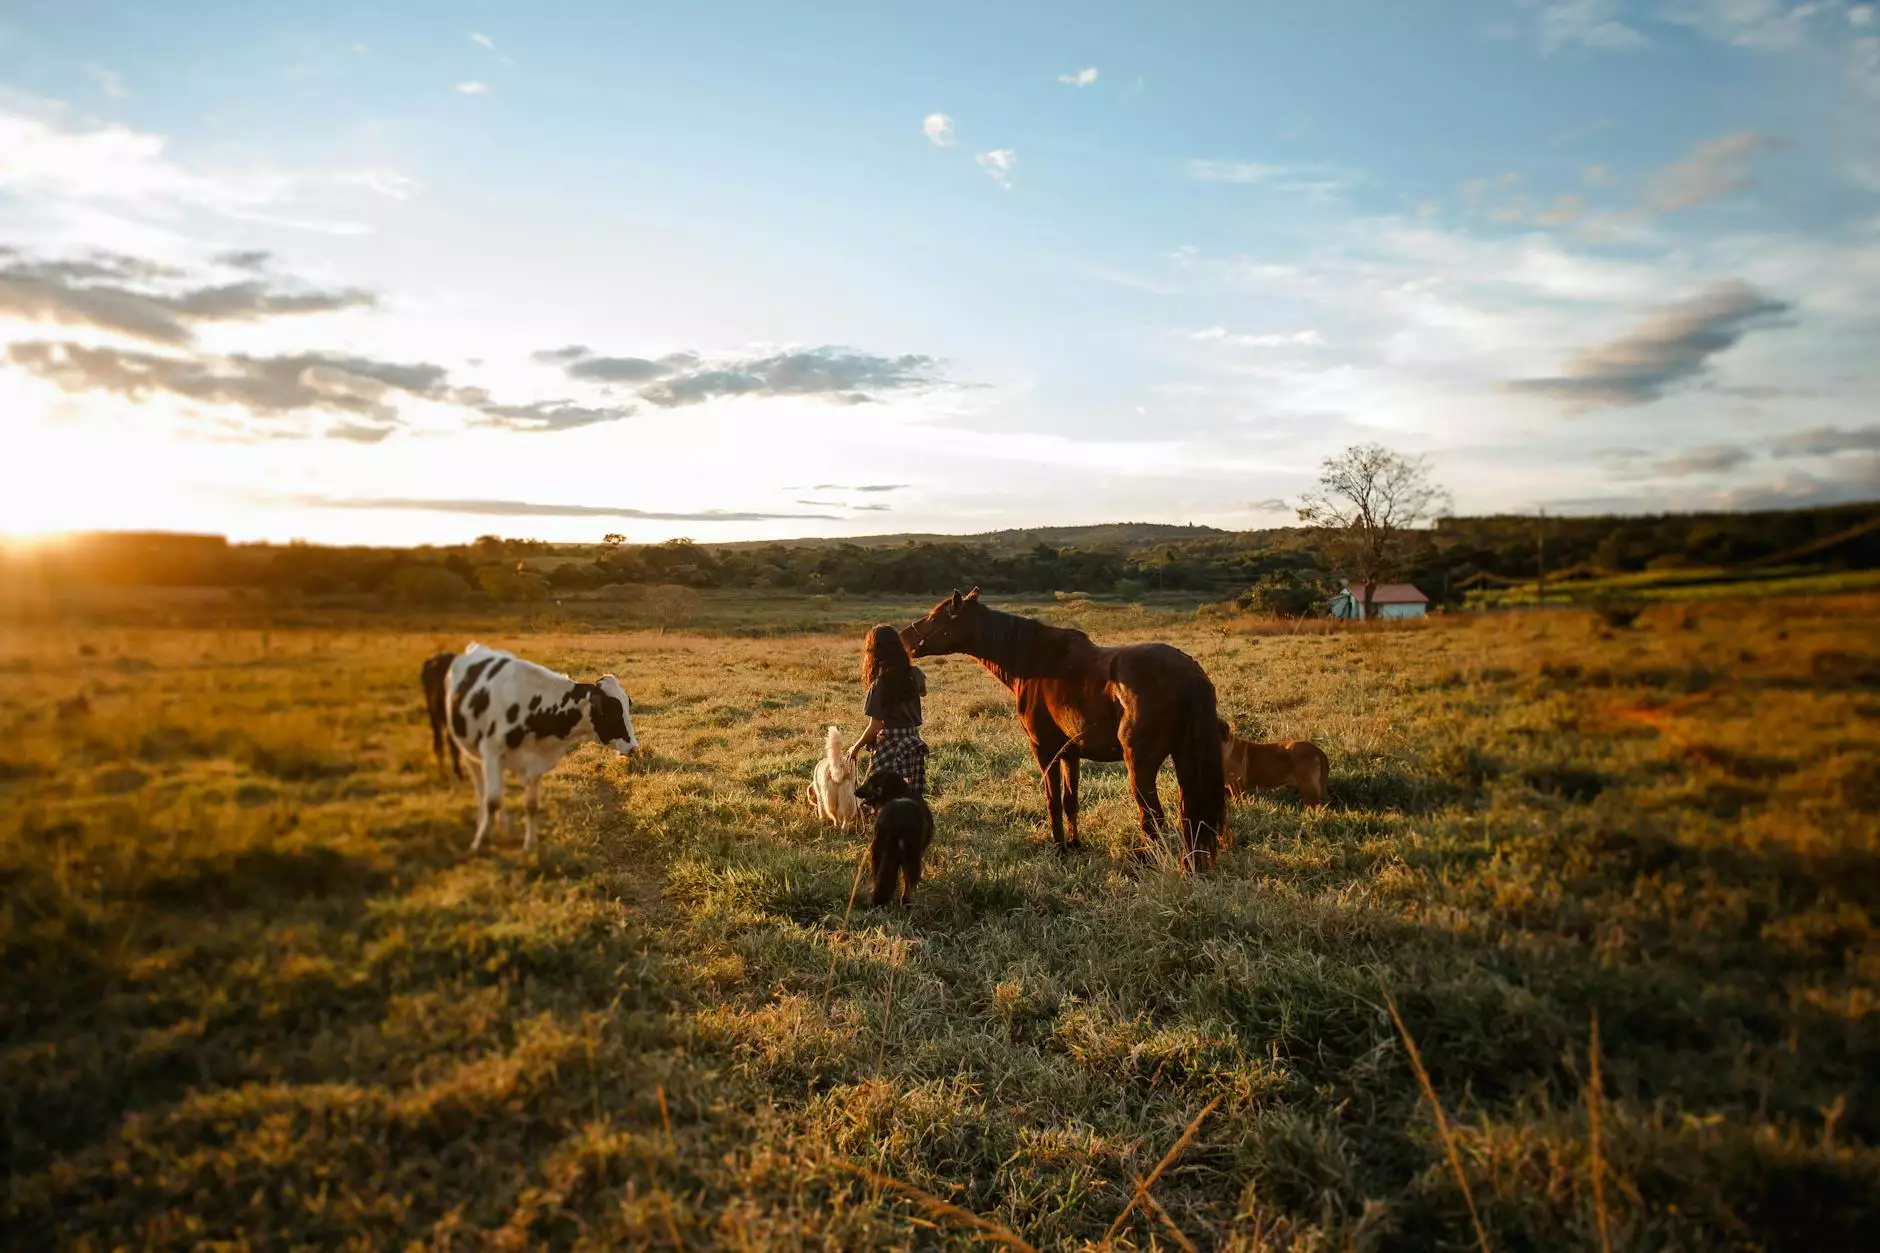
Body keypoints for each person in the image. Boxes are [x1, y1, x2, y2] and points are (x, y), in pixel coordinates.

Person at [848, 624, 929, 797]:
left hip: (890, 744)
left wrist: (855, 748)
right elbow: (923, 692)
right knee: (909, 791)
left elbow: (876, 726)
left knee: (875, 795)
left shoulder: (880, 684)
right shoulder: (915, 673)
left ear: (875, 653)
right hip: (912, 741)